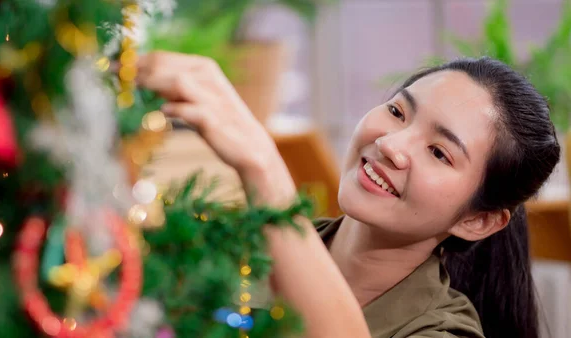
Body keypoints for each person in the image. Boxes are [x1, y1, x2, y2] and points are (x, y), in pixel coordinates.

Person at [134, 52, 560, 338]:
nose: (392, 144)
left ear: (478, 220)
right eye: (397, 112)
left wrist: (263, 168)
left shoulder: (440, 331)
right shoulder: (237, 248)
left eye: (438, 152)